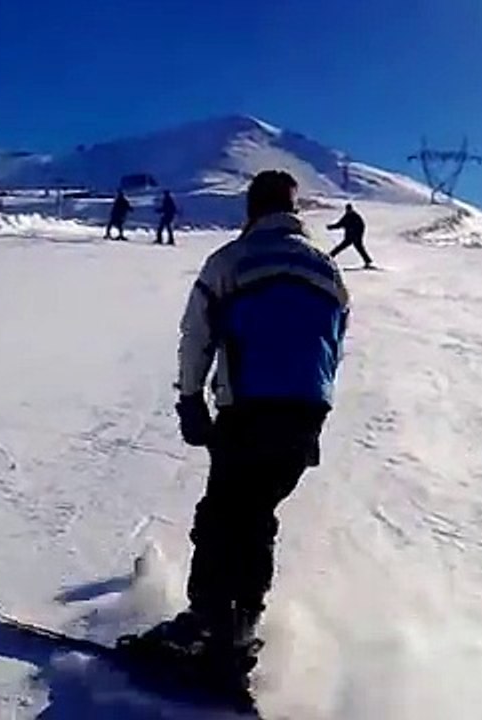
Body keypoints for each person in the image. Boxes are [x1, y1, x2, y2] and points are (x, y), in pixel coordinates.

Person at [122, 170, 350, 666]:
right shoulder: (329, 272)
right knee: (255, 515)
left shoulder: (232, 260)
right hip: (307, 412)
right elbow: (334, 344)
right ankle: (240, 625)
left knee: (223, 514)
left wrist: (190, 399)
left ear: (252, 210)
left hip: (250, 407)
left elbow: (196, 334)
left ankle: (206, 625)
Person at [327, 203, 373, 268]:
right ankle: (330, 257)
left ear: (351, 209)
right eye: (347, 210)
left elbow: (362, 227)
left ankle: (330, 256)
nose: (348, 211)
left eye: (349, 210)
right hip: (349, 237)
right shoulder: (346, 217)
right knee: (341, 247)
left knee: (359, 249)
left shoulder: (356, 217)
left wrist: (359, 236)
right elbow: (339, 224)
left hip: (356, 238)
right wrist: (331, 227)